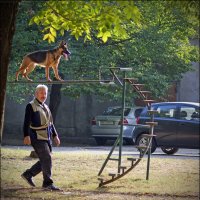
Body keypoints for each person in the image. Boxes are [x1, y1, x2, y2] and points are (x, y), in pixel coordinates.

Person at [21, 84, 61, 191]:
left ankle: (28, 174)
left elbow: (50, 123)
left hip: (46, 137)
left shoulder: (45, 106)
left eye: (45, 93)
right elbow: (26, 122)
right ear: (36, 94)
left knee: (45, 159)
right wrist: (26, 135)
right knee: (47, 158)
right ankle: (48, 183)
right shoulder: (31, 106)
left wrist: (55, 136)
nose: (44, 95)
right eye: (41, 93)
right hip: (36, 136)